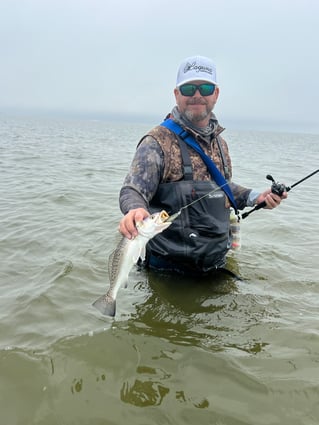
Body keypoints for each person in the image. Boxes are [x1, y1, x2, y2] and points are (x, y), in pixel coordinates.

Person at [118, 55, 287, 275]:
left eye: (205, 88)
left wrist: (258, 197)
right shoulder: (156, 141)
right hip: (169, 272)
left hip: (216, 264)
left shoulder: (220, 144)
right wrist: (135, 210)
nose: (197, 95)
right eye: (188, 89)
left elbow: (223, 188)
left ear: (215, 94)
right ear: (177, 94)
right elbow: (133, 190)